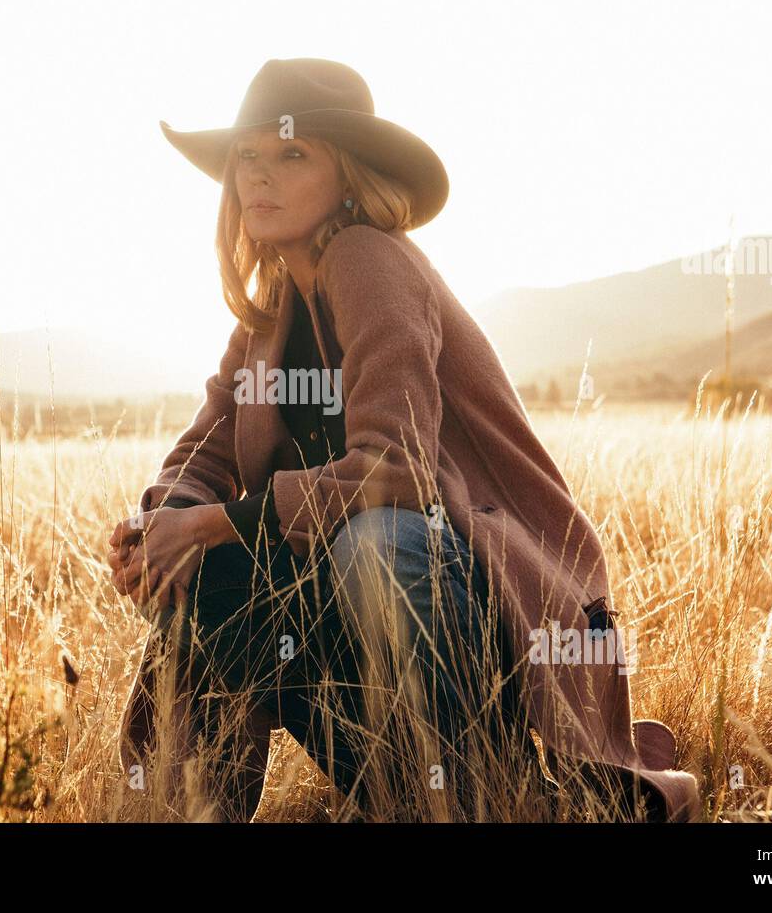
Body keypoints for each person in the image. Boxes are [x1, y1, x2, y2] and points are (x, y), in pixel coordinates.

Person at [107, 58, 700, 822]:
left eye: (292, 154)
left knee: (372, 542)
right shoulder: (272, 313)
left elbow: (396, 471)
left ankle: (482, 794)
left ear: (349, 176)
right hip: (374, 619)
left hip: (477, 587)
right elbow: (205, 450)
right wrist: (161, 522)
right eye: (247, 156)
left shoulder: (367, 257)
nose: (260, 176)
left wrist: (212, 522)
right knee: (202, 573)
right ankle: (231, 808)